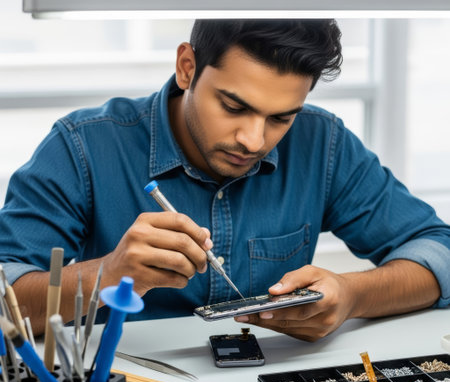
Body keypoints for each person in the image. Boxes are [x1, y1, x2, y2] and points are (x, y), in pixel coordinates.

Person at [0, 19, 448, 339]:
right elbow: (5, 297)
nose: (253, 141)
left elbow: (438, 249)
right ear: (187, 67)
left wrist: (352, 294)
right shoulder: (81, 147)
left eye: (281, 118)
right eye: (234, 107)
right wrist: (110, 275)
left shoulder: (322, 141)